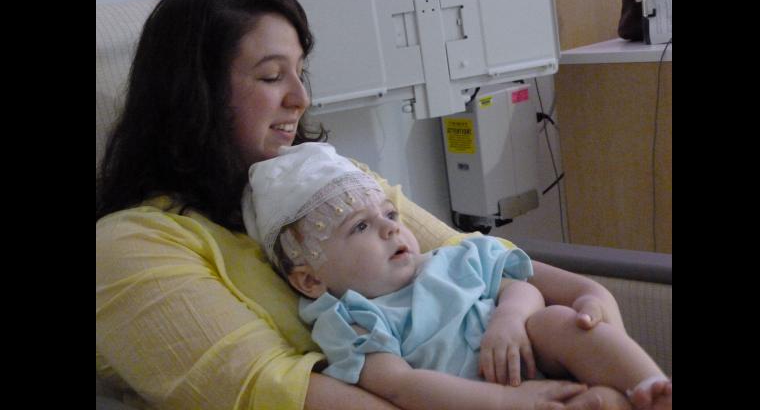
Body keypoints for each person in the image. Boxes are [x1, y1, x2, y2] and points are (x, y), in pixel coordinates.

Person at [96, 0, 635, 408]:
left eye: (301, 73)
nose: (301, 98)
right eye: (270, 77)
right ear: (196, 95)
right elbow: (275, 392)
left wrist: (587, 309)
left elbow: (465, 256)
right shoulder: (131, 246)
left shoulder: (333, 181)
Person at [242, 142, 672, 410]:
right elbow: (400, 385)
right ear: (310, 280)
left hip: (534, 362)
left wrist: (509, 319)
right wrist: (505, 401)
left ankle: (651, 386)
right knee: (599, 402)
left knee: (559, 322)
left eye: (390, 214)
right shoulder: (355, 319)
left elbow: (520, 288)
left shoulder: (453, 260)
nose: (391, 227)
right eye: (359, 227)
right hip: (485, 399)